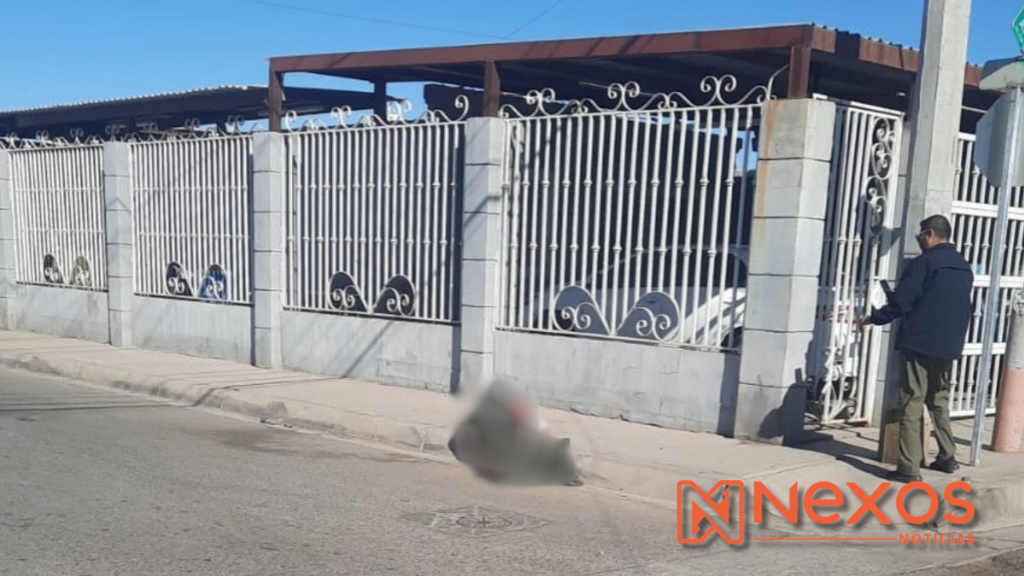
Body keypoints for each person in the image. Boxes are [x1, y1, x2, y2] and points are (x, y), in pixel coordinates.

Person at [857, 215, 974, 483]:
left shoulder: (925, 263)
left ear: (929, 234)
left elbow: (902, 303)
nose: (919, 239)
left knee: (912, 401)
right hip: (948, 346)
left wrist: (874, 318)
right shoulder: (962, 265)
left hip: (919, 343)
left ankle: (909, 469)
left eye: (920, 234)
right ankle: (947, 456)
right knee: (939, 400)